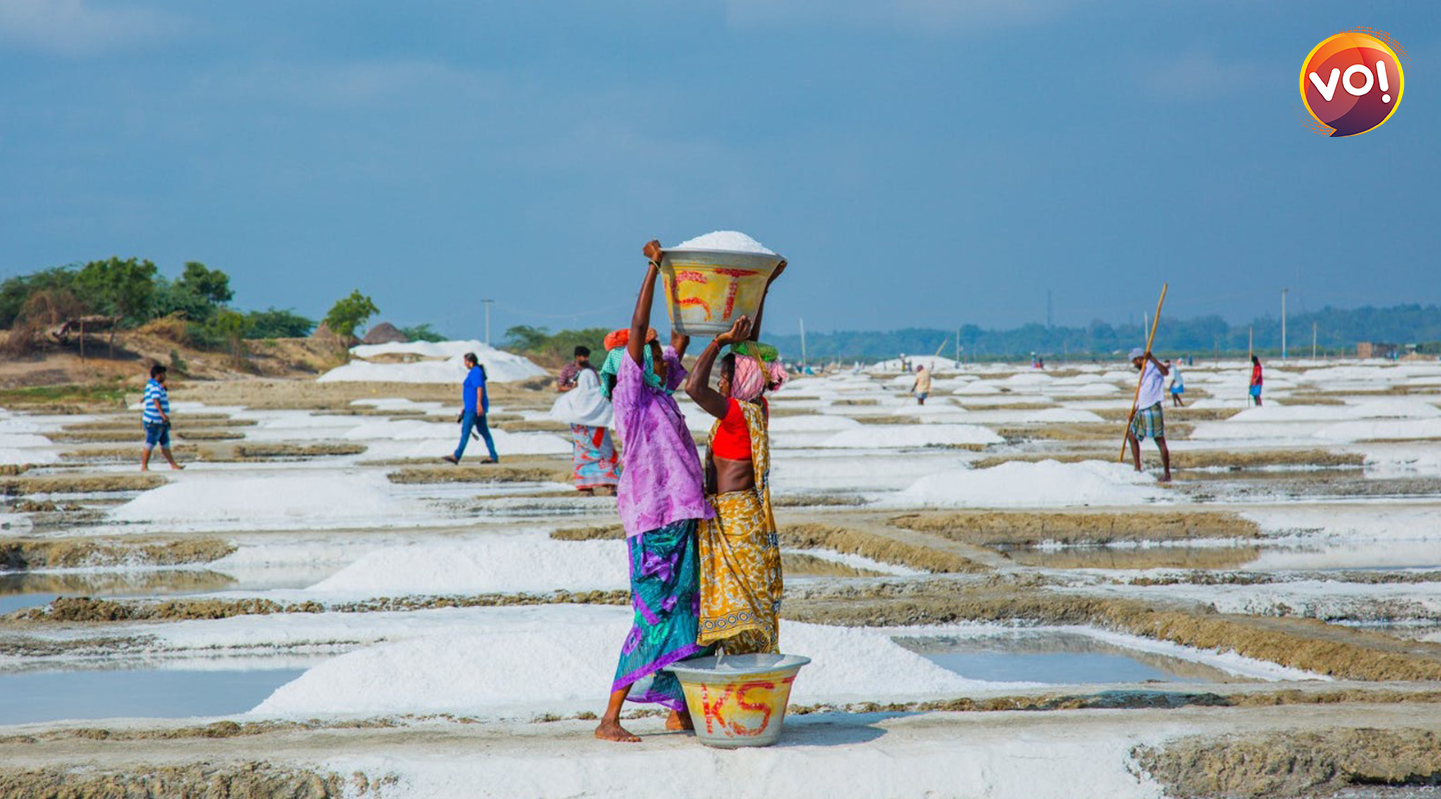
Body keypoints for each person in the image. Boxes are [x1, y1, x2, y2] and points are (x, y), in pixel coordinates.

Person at [593, 240, 712, 744]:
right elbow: (641, 331)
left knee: (689, 613)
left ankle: (677, 709)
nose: (664, 358)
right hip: (654, 524)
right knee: (652, 615)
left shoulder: (661, 392)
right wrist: (652, 270)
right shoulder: (633, 398)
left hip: (682, 517)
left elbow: (678, 339)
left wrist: (689, 289)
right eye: (652, 355)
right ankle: (610, 718)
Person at [685, 260, 788, 657]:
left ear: (738, 382)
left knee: (735, 607)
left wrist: (718, 343)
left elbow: (694, 386)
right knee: (747, 604)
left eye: (726, 377)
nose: (721, 382)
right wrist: (761, 291)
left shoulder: (733, 413)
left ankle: (740, 682)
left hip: (731, 518)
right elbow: (751, 353)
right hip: (745, 516)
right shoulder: (756, 408)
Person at [550, 345, 619, 495]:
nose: (585, 359)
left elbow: (560, 408)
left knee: (583, 456)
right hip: (598, 435)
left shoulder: (572, 397)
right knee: (604, 456)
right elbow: (609, 408)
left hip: (581, 436)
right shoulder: (599, 396)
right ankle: (609, 485)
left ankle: (586, 486)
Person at [1125, 347, 1172, 482]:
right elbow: (1141, 395)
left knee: (1159, 440)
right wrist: (1133, 411)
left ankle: (1167, 474)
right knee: (1131, 436)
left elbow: (1166, 372)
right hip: (1142, 409)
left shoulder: (1153, 368)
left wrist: (1152, 358)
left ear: (1139, 359)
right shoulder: (1143, 373)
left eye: (1135, 362)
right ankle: (1137, 468)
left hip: (1152, 408)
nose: (1134, 365)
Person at [442, 353, 498, 464]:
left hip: (474, 409)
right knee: (484, 432)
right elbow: (471, 392)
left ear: (470, 361)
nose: (464, 364)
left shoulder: (476, 372)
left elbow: (479, 388)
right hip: (472, 407)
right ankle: (493, 456)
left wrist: (478, 404)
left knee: (466, 431)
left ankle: (457, 455)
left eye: (465, 361)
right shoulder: (474, 372)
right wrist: (465, 407)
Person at [140, 364, 183, 471]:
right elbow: (155, 400)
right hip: (154, 420)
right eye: (163, 374)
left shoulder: (153, 385)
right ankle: (144, 466)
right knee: (150, 443)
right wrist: (162, 414)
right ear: (158, 375)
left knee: (165, 443)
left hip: (159, 421)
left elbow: (150, 396)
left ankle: (173, 465)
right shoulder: (154, 386)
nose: (165, 376)